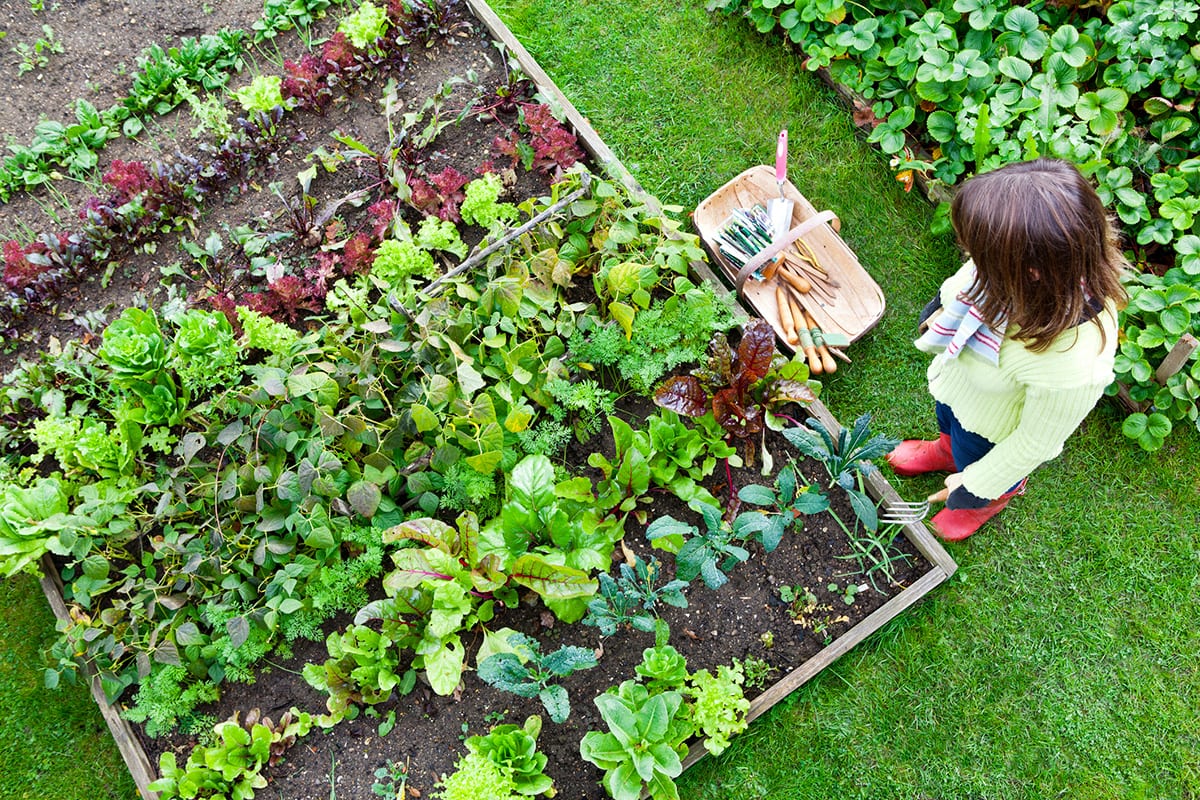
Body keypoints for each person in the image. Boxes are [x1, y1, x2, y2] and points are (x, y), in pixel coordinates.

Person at [886, 158, 1128, 541]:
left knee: (975, 455)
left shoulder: (1075, 362)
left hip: (994, 431)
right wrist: (939, 310)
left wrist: (973, 485)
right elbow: (965, 283)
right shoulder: (1015, 274)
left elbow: (1033, 443)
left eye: (979, 254)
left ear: (1029, 271)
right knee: (949, 420)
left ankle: (988, 501)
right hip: (962, 385)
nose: (969, 257)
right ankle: (947, 451)